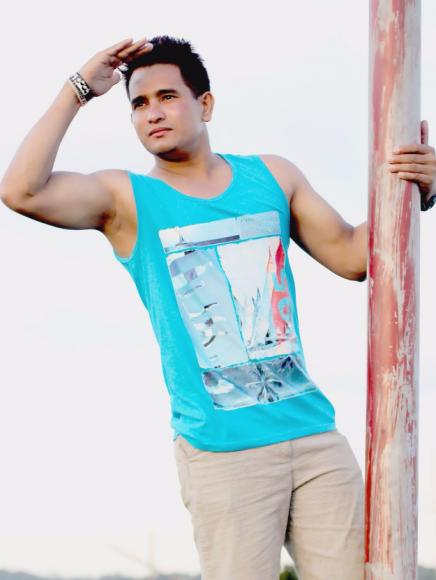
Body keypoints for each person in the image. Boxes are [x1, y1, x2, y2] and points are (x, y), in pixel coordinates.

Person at [1, 35, 435, 580]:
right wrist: (79, 89)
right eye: (139, 104)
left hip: (314, 439)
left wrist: (416, 190)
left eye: (167, 96)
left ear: (204, 104)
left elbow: (352, 256)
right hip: (225, 452)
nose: (153, 113)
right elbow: (21, 192)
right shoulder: (125, 199)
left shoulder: (272, 177)